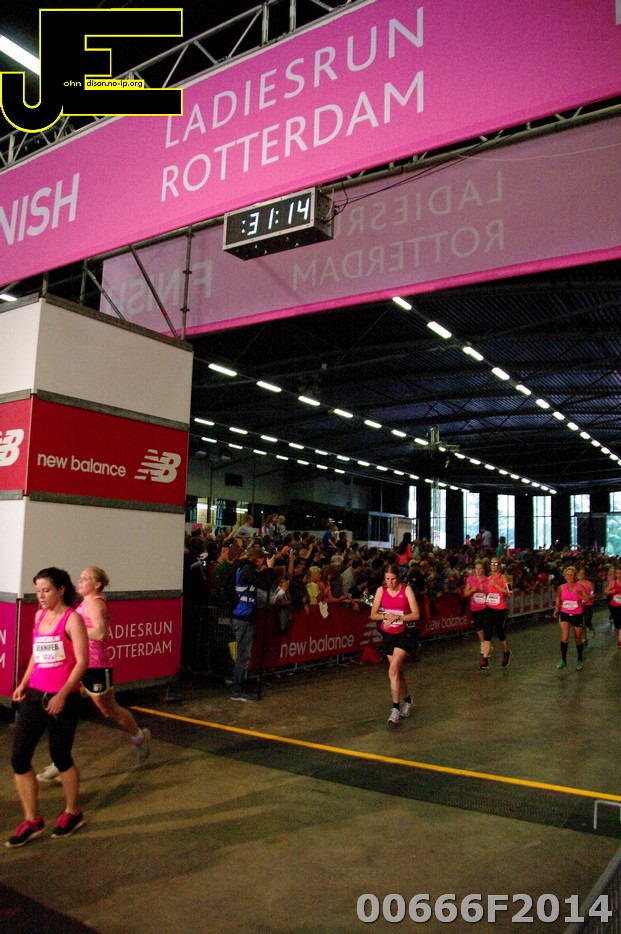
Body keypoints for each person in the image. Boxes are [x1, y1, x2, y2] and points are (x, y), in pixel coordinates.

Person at [36, 566, 150, 786]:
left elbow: (101, 633)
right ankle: (60, 762)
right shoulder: (82, 604)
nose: (80, 581)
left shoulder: (97, 604)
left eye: (85, 578)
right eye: (79, 578)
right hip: (76, 664)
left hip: (96, 665)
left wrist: (71, 630)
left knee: (109, 711)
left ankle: (139, 736)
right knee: (64, 712)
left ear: (97, 584)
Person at [6, 567, 89, 848]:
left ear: (61, 589)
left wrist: (63, 694)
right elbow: (37, 654)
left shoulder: (72, 619)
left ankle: (73, 812)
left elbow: (82, 662)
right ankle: (32, 820)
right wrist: (23, 683)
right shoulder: (39, 615)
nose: (40, 596)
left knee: (61, 756)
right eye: (38, 591)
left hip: (63, 698)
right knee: (19, 759)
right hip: (35, 695)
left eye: (46, 590)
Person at [369, 564, 420, 725]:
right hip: (388, 634)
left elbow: (416, 614)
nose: (390, 583)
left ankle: (395, 709)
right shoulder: (381, 591)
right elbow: (373, 614)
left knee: (392, 670)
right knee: (397, 671)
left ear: (398, 578)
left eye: (392, 579)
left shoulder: (406, 590)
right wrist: (386, 616)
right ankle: (408, 700)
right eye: (387, 579)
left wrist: (399, 618)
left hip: (404, 634)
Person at [230, 545, 275, 701]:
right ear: (259, 559)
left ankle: (240, 686)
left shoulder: (243, 568)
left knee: (243, 655)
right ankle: (238, 691)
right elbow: (265, 584)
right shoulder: (247, 570)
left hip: (243, 615)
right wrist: (270, 568)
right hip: (243, 618)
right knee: (243, 656)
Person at [480, 559, 512, 670]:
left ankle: (506, 652)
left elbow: (509, 592)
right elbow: (488, 591)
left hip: (500, 609)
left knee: (500, 632)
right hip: (489, 607)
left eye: (495, 564)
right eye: (492, 564)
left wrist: (496, 586)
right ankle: (485, 659)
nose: (493, 565)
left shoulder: (502, 577)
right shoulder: (488, 578)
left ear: (499, 566)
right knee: (487, 632)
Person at [554, 566, 585, 669]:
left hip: (577, 614)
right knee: (564, 636)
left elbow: (588, 599)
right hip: (565, 613)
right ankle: (563, 659)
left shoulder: (580, 587)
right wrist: (556, 609)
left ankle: (580, 658)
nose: (569, 577)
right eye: (567, 575)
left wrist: (580, 596)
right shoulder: (562, 587)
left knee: (578, 638)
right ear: (565, 576)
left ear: (575, 576)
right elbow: (558, 598)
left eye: (571, 575)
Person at [463, 560, 489, 656]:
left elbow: (492, 593)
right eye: (476, 568)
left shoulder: (487, 580)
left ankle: (486, 644)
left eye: (480, 569)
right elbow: (465, 594)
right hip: (475, 607)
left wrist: (485, 590)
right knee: (478, 626)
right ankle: (483, 642)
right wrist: (471, 591)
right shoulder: (470, 579)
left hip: (485, 606)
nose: (478, 571)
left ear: (483, 569)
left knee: (485, 625)